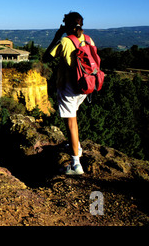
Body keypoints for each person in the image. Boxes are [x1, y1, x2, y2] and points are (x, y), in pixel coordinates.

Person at [42, 11, 95, 175]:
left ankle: (75, 164)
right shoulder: (88, 39)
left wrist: (57, 36)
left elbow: (45, 58)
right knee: (74, 117)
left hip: (68, 88)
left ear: (66, 25)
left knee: (71, 123)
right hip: (85, 87)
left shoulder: (64, 41)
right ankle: (75, 144)